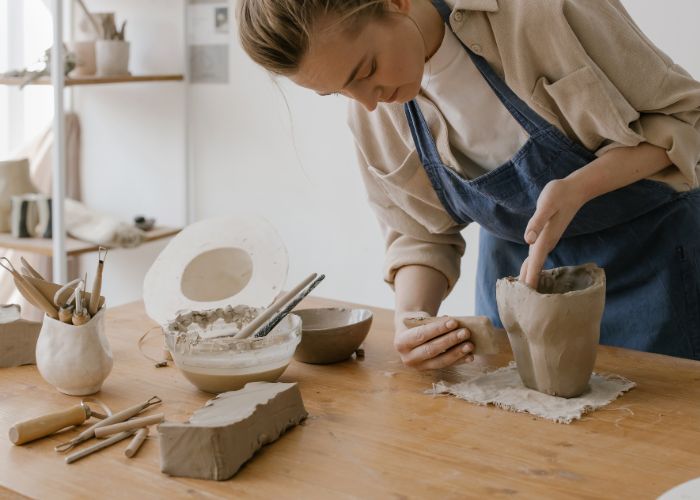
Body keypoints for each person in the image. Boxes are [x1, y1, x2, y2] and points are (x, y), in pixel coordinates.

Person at [237, 0, 700, 369]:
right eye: (337, 91)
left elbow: (688, 120)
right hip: (519, 291)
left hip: (655, 269)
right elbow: (420, 234)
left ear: (396, 1)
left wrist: (581, 185)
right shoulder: (371, 116)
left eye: (364, 71)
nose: (367, 103)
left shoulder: (545, 12)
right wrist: (412, 321)